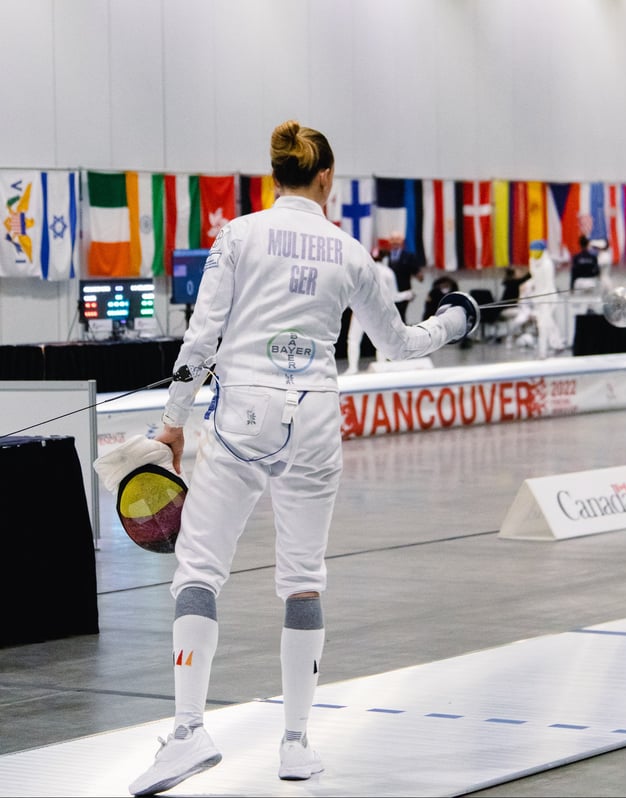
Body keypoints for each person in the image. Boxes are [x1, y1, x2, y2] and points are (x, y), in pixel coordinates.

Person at [127, 119, 476, 797]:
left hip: (241, 414)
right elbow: (401, 344)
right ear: (324, 181)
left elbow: (202, 338)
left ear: (274, 176)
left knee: (199, 570)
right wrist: (455, 322)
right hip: (314, 417)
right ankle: (294, 744)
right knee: (303, 579)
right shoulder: (350, 253)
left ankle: (190, 729)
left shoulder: (238, 234)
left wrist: (172, 424)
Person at [344, 247, 414, 374]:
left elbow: (351, 293)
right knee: (381, 340)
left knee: (353, 339)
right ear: (384, 257)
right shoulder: (388, 272)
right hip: (378, 310)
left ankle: (352, 368)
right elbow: (394, 296)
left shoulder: (360, 270)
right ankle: (381, 367)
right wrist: (407, 294)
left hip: (359, 309)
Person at [528, 239, 565, 358]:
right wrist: (527, 285)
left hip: (549, 297)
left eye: (536, 250)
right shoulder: (532, 261)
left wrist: (542, 298)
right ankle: (558, 344)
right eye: (532, 250)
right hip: (538, 297)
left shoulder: (547, 264)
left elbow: (549, 284)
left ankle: (542, 352)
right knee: (548, 322)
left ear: (542, 251)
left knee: (543, 324)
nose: (534, 252)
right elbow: (535, 278)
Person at [387, 230, 425, 321]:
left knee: (400, 316)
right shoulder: (385, 256)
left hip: (403, 291)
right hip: (388, 292)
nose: (395, 242)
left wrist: (419, 276)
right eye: (393, 239)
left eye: (397, 239)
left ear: (402, 241)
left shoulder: (408, 257)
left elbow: (418, 274)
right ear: (389, 241)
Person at [570, 234, 601, 315]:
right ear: (587, 244)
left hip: (579, 282)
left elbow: (574, 273)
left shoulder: (576, 257)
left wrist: (571, 287)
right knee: (591, 306)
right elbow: (597, 272)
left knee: (580, 306)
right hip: (591, 282)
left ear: (579, 244)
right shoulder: (593, 257)